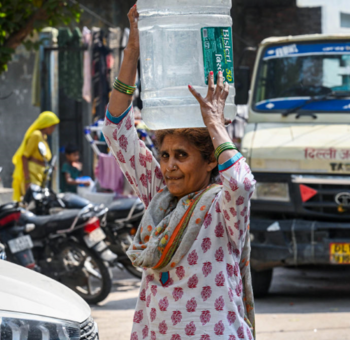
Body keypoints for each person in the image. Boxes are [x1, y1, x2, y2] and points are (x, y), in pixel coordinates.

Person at [102, 5, 256, 340]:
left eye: (182, 156)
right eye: (165, 155)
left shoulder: (222, 208)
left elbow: (242, 183)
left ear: (211, 160)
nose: (169, 165)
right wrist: (133, 52)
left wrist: (214, 123)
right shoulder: (160, 197)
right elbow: (116, 131)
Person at [11, 111, 60, 201]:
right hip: (32, 174)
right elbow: (24, 156)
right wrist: (27, 179)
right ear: (46, 124)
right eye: (53, 126)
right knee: (32, 202)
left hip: (41, 175)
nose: (53, 129)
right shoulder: (36, 135)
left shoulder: (43, 137)